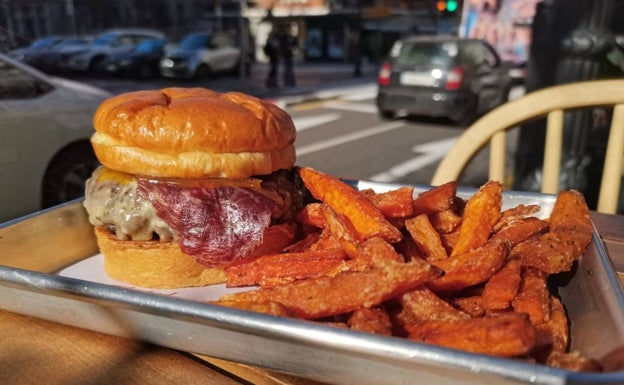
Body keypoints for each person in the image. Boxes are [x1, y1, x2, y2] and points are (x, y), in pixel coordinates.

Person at [276, 23, 297, 88]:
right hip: (284, 55)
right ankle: (287, 82)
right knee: (286, 69)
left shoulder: (291, 37)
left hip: (289, 55)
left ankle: (290, 82)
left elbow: (295, 45)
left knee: (289, 69)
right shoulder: (283, 37)